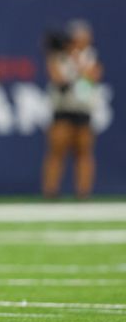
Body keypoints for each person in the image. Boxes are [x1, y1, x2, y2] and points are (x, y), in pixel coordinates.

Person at [42, 20, 102, 199]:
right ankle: (51, 191)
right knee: (56, 151)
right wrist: (67, 56)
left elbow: (93, 76)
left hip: (83, 110)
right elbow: (58, 78)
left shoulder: (90, 56)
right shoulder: (58, 57)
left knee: (84, 152)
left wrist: (76, 61)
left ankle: (83, 192)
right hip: (63, 110)